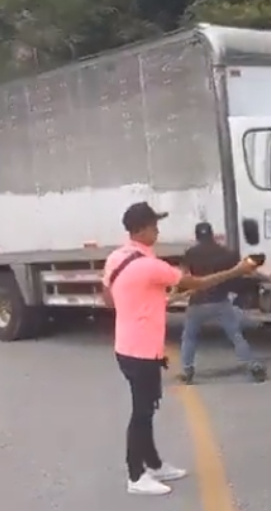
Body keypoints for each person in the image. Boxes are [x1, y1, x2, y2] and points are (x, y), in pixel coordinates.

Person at [103, 202, 260, 496]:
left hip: (126, 346)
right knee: (141, 412)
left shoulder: (116, 258)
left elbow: (109, 299)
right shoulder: (150, 265)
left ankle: (153, 463)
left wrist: (145, 301)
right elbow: (199, 282)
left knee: (147, 407)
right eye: (153, 226)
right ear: (140, 230)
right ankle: (136, 476)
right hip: (141, 350)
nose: (157, 230)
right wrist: (238, 270)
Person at [178, 222, 267, 385]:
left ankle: (188, 369)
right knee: (235, 335)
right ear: (212, 235)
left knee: (189, 337)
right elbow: (240, 273)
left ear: (197, 236)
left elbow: (184, 276)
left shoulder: (190, 253)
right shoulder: (226, 253)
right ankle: (252, 365)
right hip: (220, 302)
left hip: (197, 302)